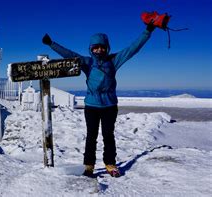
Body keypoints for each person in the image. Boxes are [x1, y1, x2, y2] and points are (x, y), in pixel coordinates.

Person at [42, 23, 156, 177]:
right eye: (96, 47)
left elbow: (132, 49)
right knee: (91, 136)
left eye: (102, 47)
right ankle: (89, 165)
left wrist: (148, 31)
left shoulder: (113, 61)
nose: (99, 50)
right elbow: (68, 54)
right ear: (91, 49)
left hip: (109, 105)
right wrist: (52, 44)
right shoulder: (87, 63)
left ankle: (110, 163)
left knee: (108, 135)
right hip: (92, 106)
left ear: (107, 48)